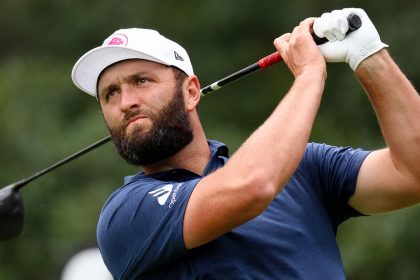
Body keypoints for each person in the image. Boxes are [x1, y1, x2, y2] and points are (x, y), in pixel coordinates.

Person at [71, 7, 420, 279]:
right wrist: (310, 74)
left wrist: (369, 56)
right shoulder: (127, 213)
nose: (125, 101)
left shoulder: (305, 169)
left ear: (191, 92)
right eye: (110, 93)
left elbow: (412, 173)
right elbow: (252, 186)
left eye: (141, 81)